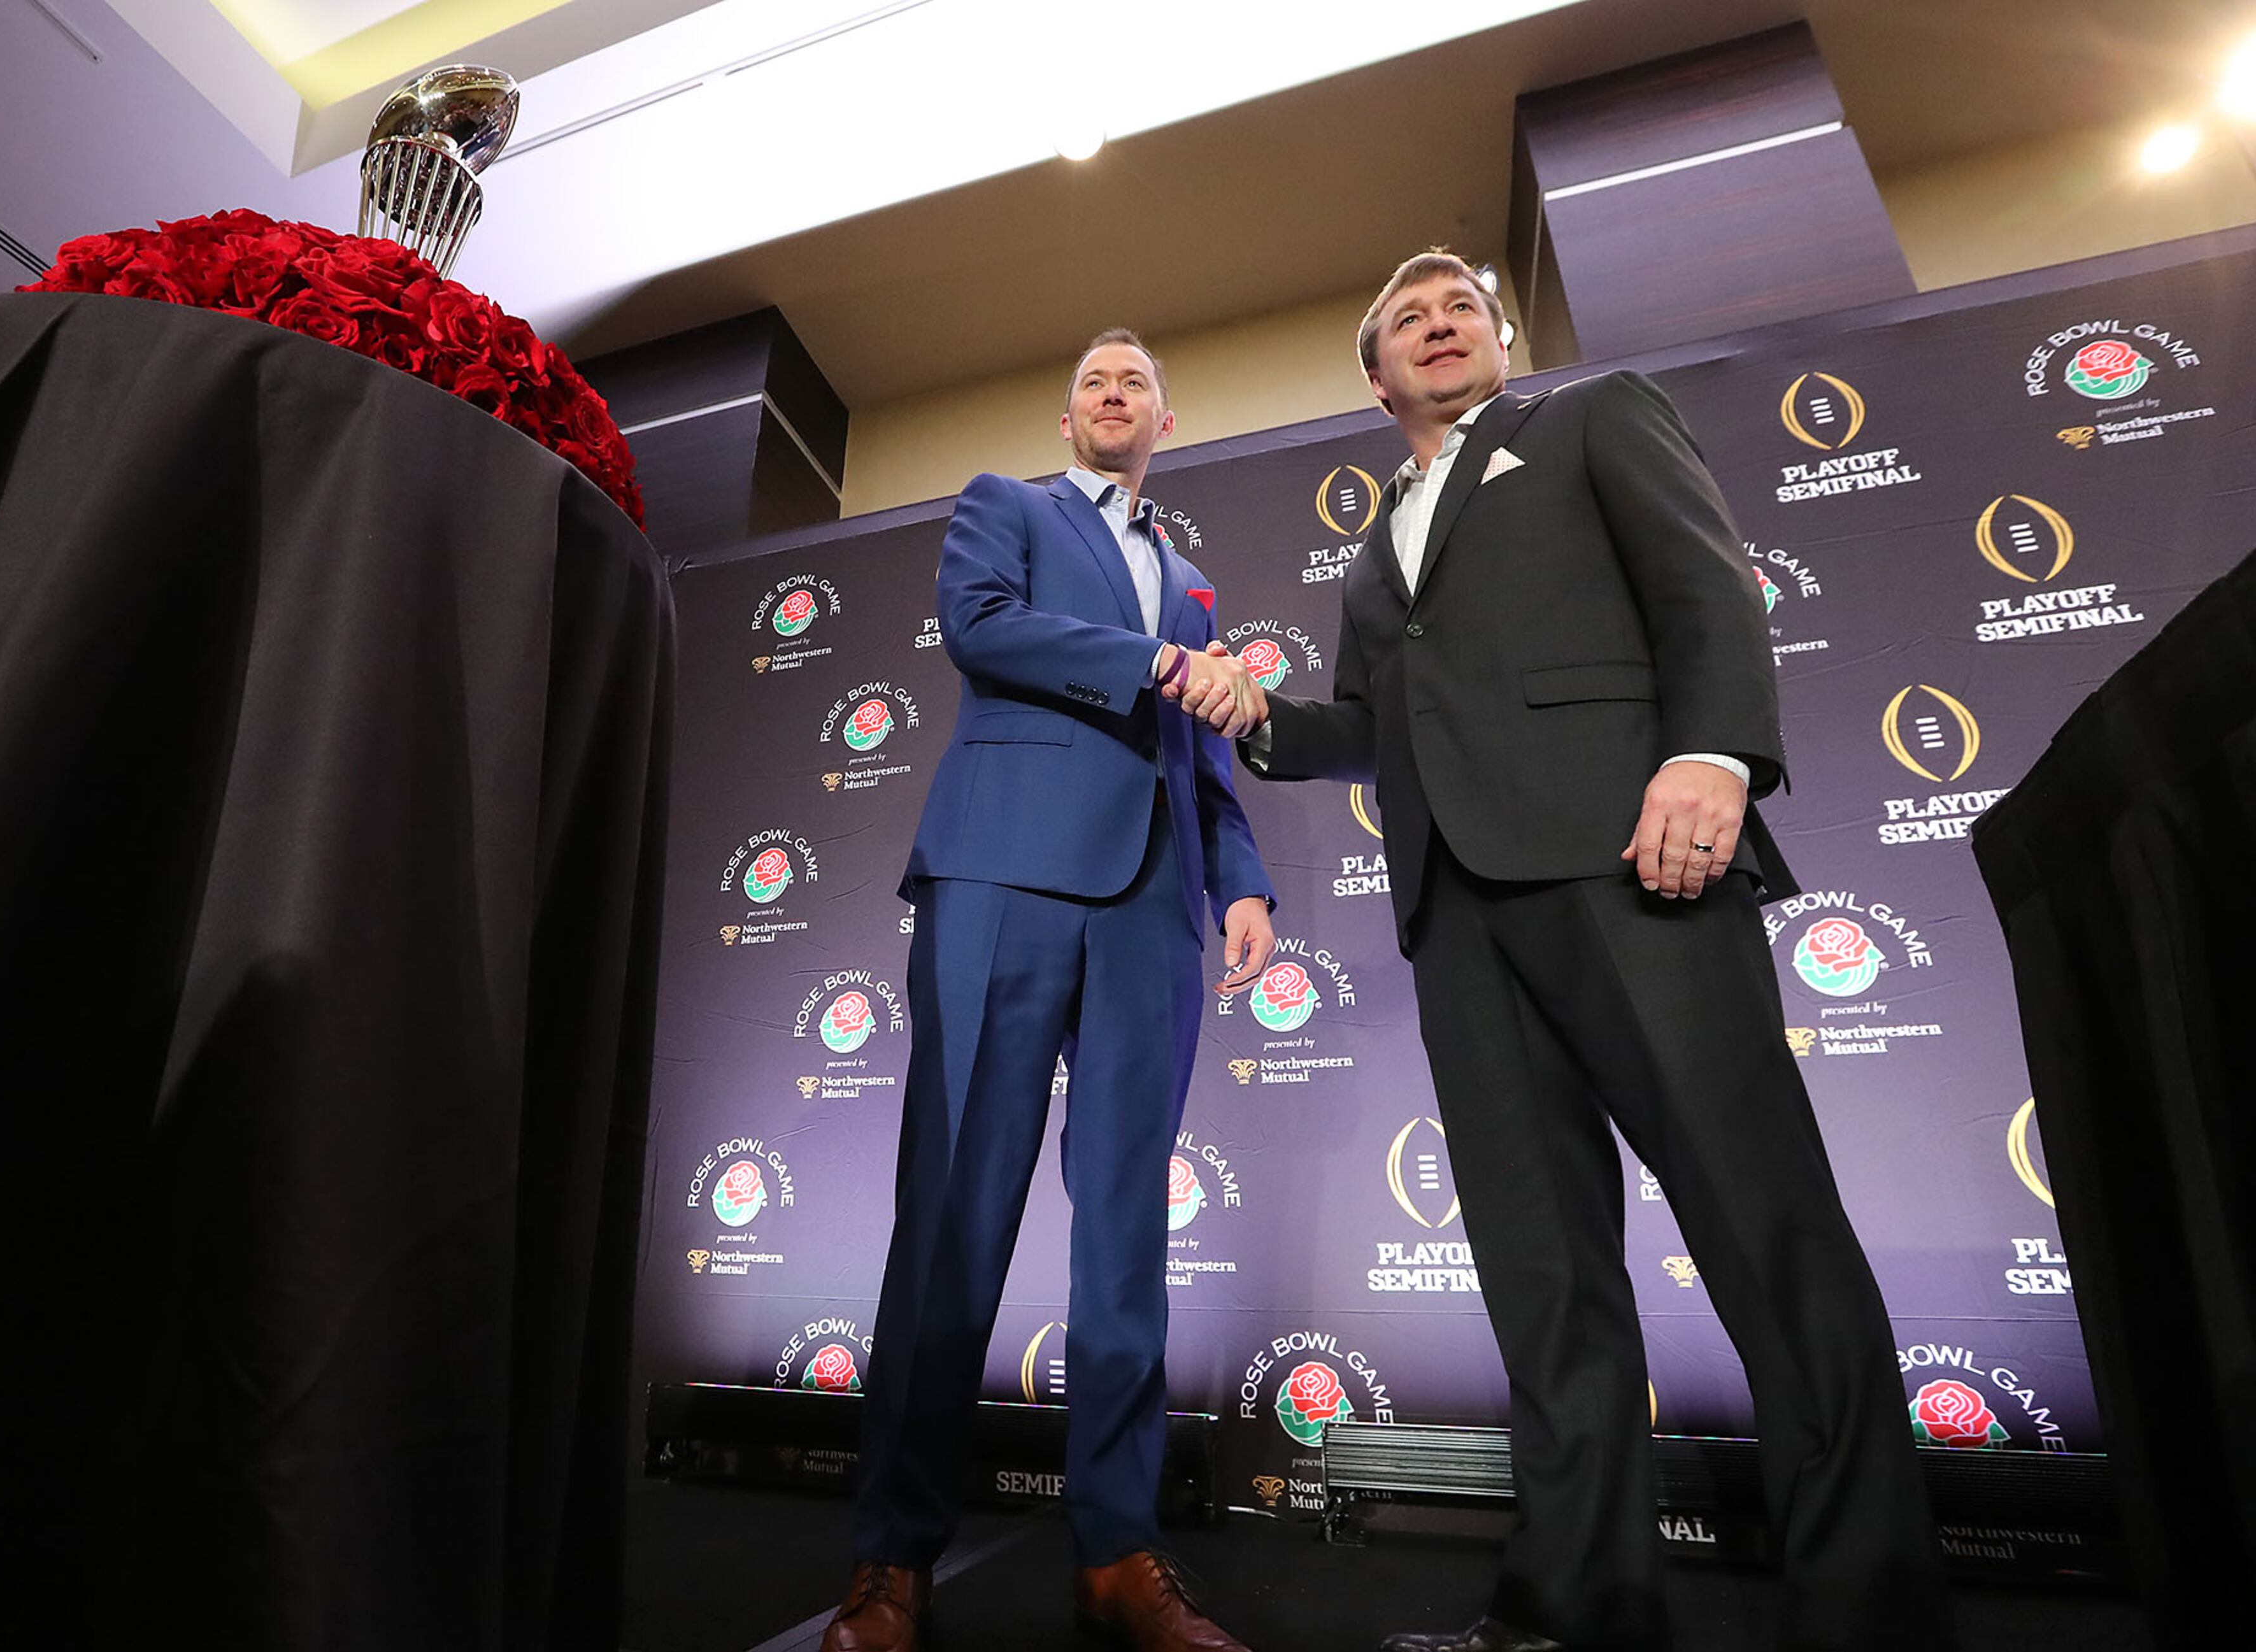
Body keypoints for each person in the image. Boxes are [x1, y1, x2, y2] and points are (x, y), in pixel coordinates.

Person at [1203, 251, 1952, 1652]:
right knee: (1543, 1280)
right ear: (1376, 380)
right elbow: (1368, 724)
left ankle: (1871, 1615)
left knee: (1762, 1226)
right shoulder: (1375, 550)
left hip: (1632, 858)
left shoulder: (1597, 416)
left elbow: (1706, 585)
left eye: (1459, 308)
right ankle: (1577, 1609)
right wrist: (1258, 715)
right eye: (1405, 320)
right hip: (1458, 919)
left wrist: (1714, 753)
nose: (1438, 325)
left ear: (1498, 341)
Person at [821, 330, 1275, 1652]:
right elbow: (983, 628)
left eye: (1136, 381)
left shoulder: (1191, 585)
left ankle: (1119, 1555)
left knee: (1128, 1238)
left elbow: (1206, 762)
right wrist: (1150, 665)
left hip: (1154, 910)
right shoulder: (1001, 508)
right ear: (1072, 415)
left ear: (1166, 422)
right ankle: (891, 1560)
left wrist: (1240, 882)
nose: (1113, 392)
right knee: (954, 1217)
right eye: (1094, 380)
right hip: (1002, 878)